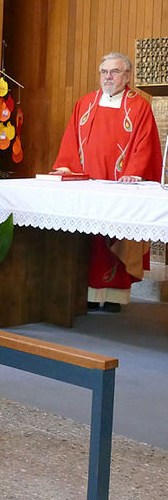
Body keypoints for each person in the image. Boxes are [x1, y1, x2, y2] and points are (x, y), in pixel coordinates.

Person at [52, 52, 162, 311]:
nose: (108, 77)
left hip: (119, 186)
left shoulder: (139, 106)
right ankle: (86, 294)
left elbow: (145, 145)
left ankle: (113, 297)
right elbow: (71, 139)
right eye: (104, 72)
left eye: (114, 72)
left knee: (115, 238)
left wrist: (134, 171)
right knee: (87, 241)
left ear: (127, 76)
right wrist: (66, 165)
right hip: (87, 186)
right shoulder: (85, 103)